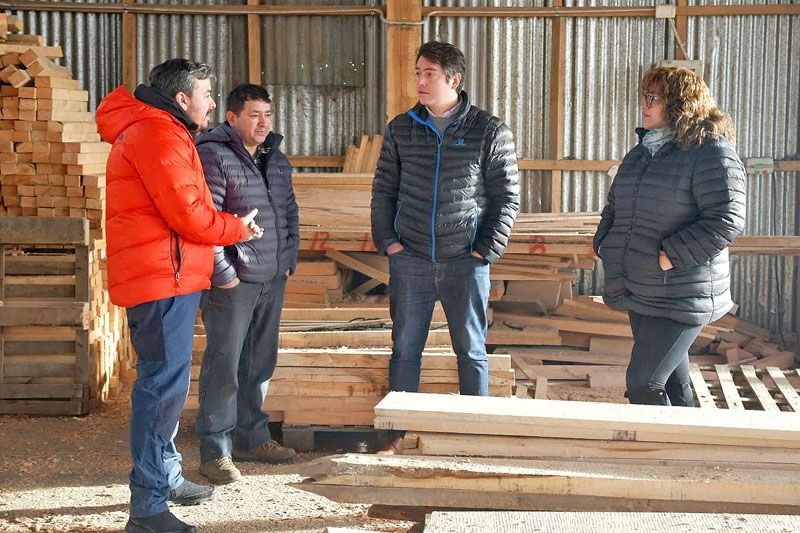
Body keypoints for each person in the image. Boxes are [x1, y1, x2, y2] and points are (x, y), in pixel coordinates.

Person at [97, 59, 263, 533]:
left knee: (165, 386)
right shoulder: (159, 134)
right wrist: (238, 228)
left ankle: (166, 478)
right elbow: (189, 215)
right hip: (162, 279)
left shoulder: (159, 129)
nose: (213, 102)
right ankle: (148, 509)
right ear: (182, 99)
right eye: (207, 94)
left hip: (166, 276)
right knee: (161, 393)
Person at [371, 41, 520, 453]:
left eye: (429, 74)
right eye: (419, 72)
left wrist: (484, 251)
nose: (420, 81)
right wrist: (390, 243)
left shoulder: (489, 131)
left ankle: (473, 435)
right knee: (405, 349)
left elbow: (507, 196)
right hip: (411, 259)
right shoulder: (402, 128)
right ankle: (396, 434)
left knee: (471, 350)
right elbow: (383, 189)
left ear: (454, 80)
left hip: (464, 260)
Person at [593, 65, 746, 407]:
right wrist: (603, 241)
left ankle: (653, 456)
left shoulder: (711, 153)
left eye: (653, 98)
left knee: (643, 381)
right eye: (644, 97)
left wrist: (669, 257)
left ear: (679, 104)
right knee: (674, 384)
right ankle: (690, 451)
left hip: (679, 290)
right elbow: (615, 207)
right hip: (642, 285)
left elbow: (726, 219)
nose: (644, 106)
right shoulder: (642, 153)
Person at [194, 83, 299, 484]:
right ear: (232, 117)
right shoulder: (214, 155)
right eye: (254, 115)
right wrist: (224, 273)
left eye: (267, 115)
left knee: (259, 362)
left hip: (272, 276)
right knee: (224, 364)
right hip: (234, 281)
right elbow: (206, 218)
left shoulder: (275, 157)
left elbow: (288, 211)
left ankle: (252, 437)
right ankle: (215, 450)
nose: (263, 123)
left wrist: (286, 259)